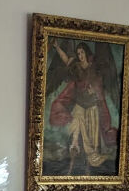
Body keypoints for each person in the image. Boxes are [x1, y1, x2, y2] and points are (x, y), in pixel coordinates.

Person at [49, 40, 117, 174]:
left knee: (92, 141)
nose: (80, 55)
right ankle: (72, 166)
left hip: (92, 109)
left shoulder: (94, 68)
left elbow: (99, 87)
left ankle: (89, 170)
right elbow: (66, 59)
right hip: (80, 106)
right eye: (78, 53)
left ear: (86, 53)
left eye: (82, 52)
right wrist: (57, 47)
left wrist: (94, 92)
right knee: (76, 135)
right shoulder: (76, 67)